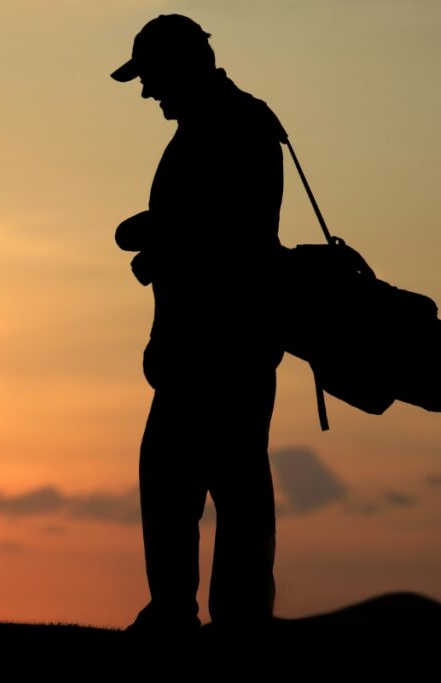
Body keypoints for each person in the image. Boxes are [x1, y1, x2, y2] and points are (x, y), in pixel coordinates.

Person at [111, 15, 287, 635]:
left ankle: (216, 619)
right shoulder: (228, 123)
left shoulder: (229, 126)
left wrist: (159, 238)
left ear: (179, 65)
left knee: (211, 485)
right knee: (196, 483)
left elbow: (232, 236)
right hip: (214, 345)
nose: (146, 91)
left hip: (219, 348)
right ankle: (199, 615)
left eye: (150, 76)